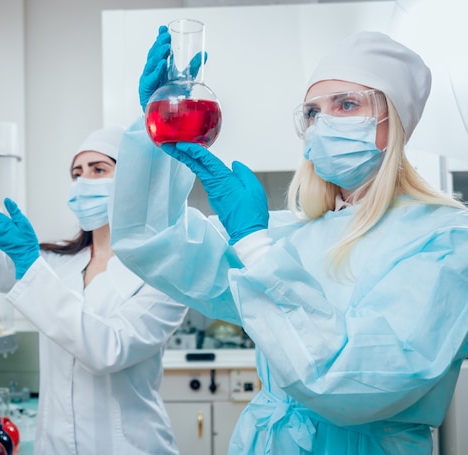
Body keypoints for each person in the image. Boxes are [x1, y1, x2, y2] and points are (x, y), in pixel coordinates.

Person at [109, 27, 468, 454]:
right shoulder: (297, 233)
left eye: (347, 104)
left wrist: (256, 246)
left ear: (395, 123)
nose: (322, 123)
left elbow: (355, 382)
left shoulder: (443, 241)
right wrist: (156, 134)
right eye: (313, 112)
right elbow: (152, 241)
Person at [0, 119, 188, 454]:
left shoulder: (163, 275)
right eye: (77, 174)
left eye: (98, 169)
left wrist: (30, 266)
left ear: (133, 180)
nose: (83, 182)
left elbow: (108, 349)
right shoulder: (55, 262)